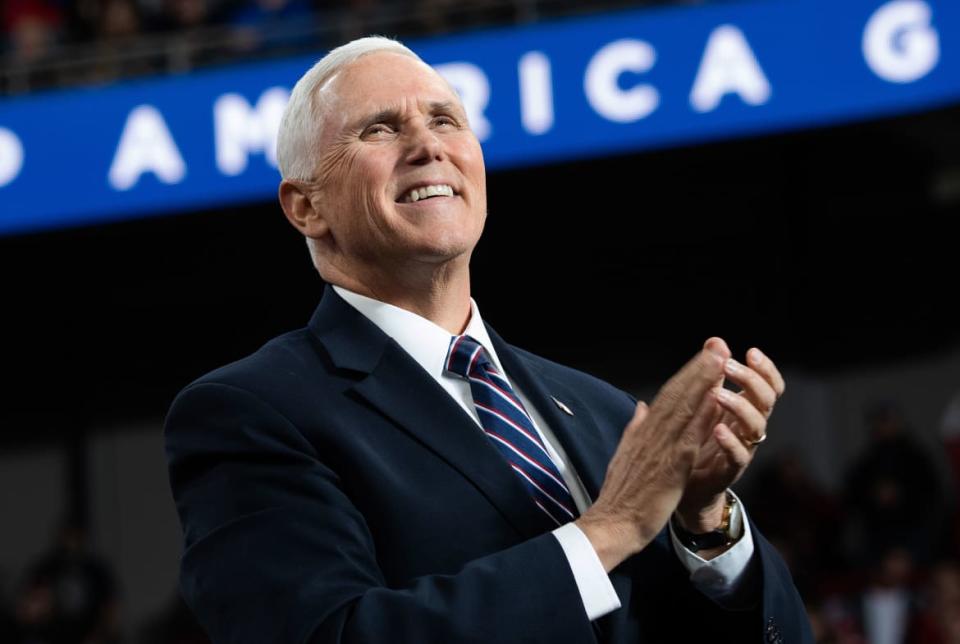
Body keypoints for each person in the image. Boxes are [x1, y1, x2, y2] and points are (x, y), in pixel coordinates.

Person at [165, 36, 812, 643]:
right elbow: (332, 634)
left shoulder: (605, 413)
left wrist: (702, 524)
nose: (427, 146)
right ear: (306, 207)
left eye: (446, 120)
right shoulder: (250, 413)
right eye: (381, 128)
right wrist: (607, 530)